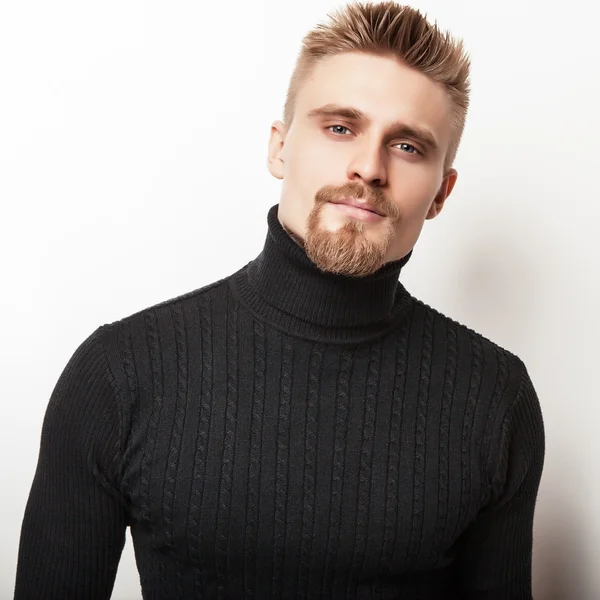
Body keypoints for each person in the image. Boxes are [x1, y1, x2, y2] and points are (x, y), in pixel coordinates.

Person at [14, 2, 545, 598]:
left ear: (442, 192)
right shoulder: (118, 374)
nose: (368, 168)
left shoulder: (496, 398)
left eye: (408, 147)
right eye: (340, 127)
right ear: (280, 149)